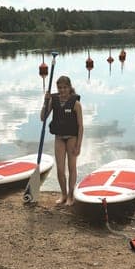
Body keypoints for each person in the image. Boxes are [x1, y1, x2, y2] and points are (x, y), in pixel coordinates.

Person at [42, 75, 83, 206]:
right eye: (60, 88)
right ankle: (64, 195)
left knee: (72, 168)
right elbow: (43, 118)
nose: (62, 90)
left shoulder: (76, 104)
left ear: (69, 88)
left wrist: (78, 145)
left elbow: (80, 126)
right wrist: (45, 102)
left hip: (72, 138)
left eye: (65, 87)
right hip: (59, 138)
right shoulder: (53, 100)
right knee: (60, 169)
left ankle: (70, 196)